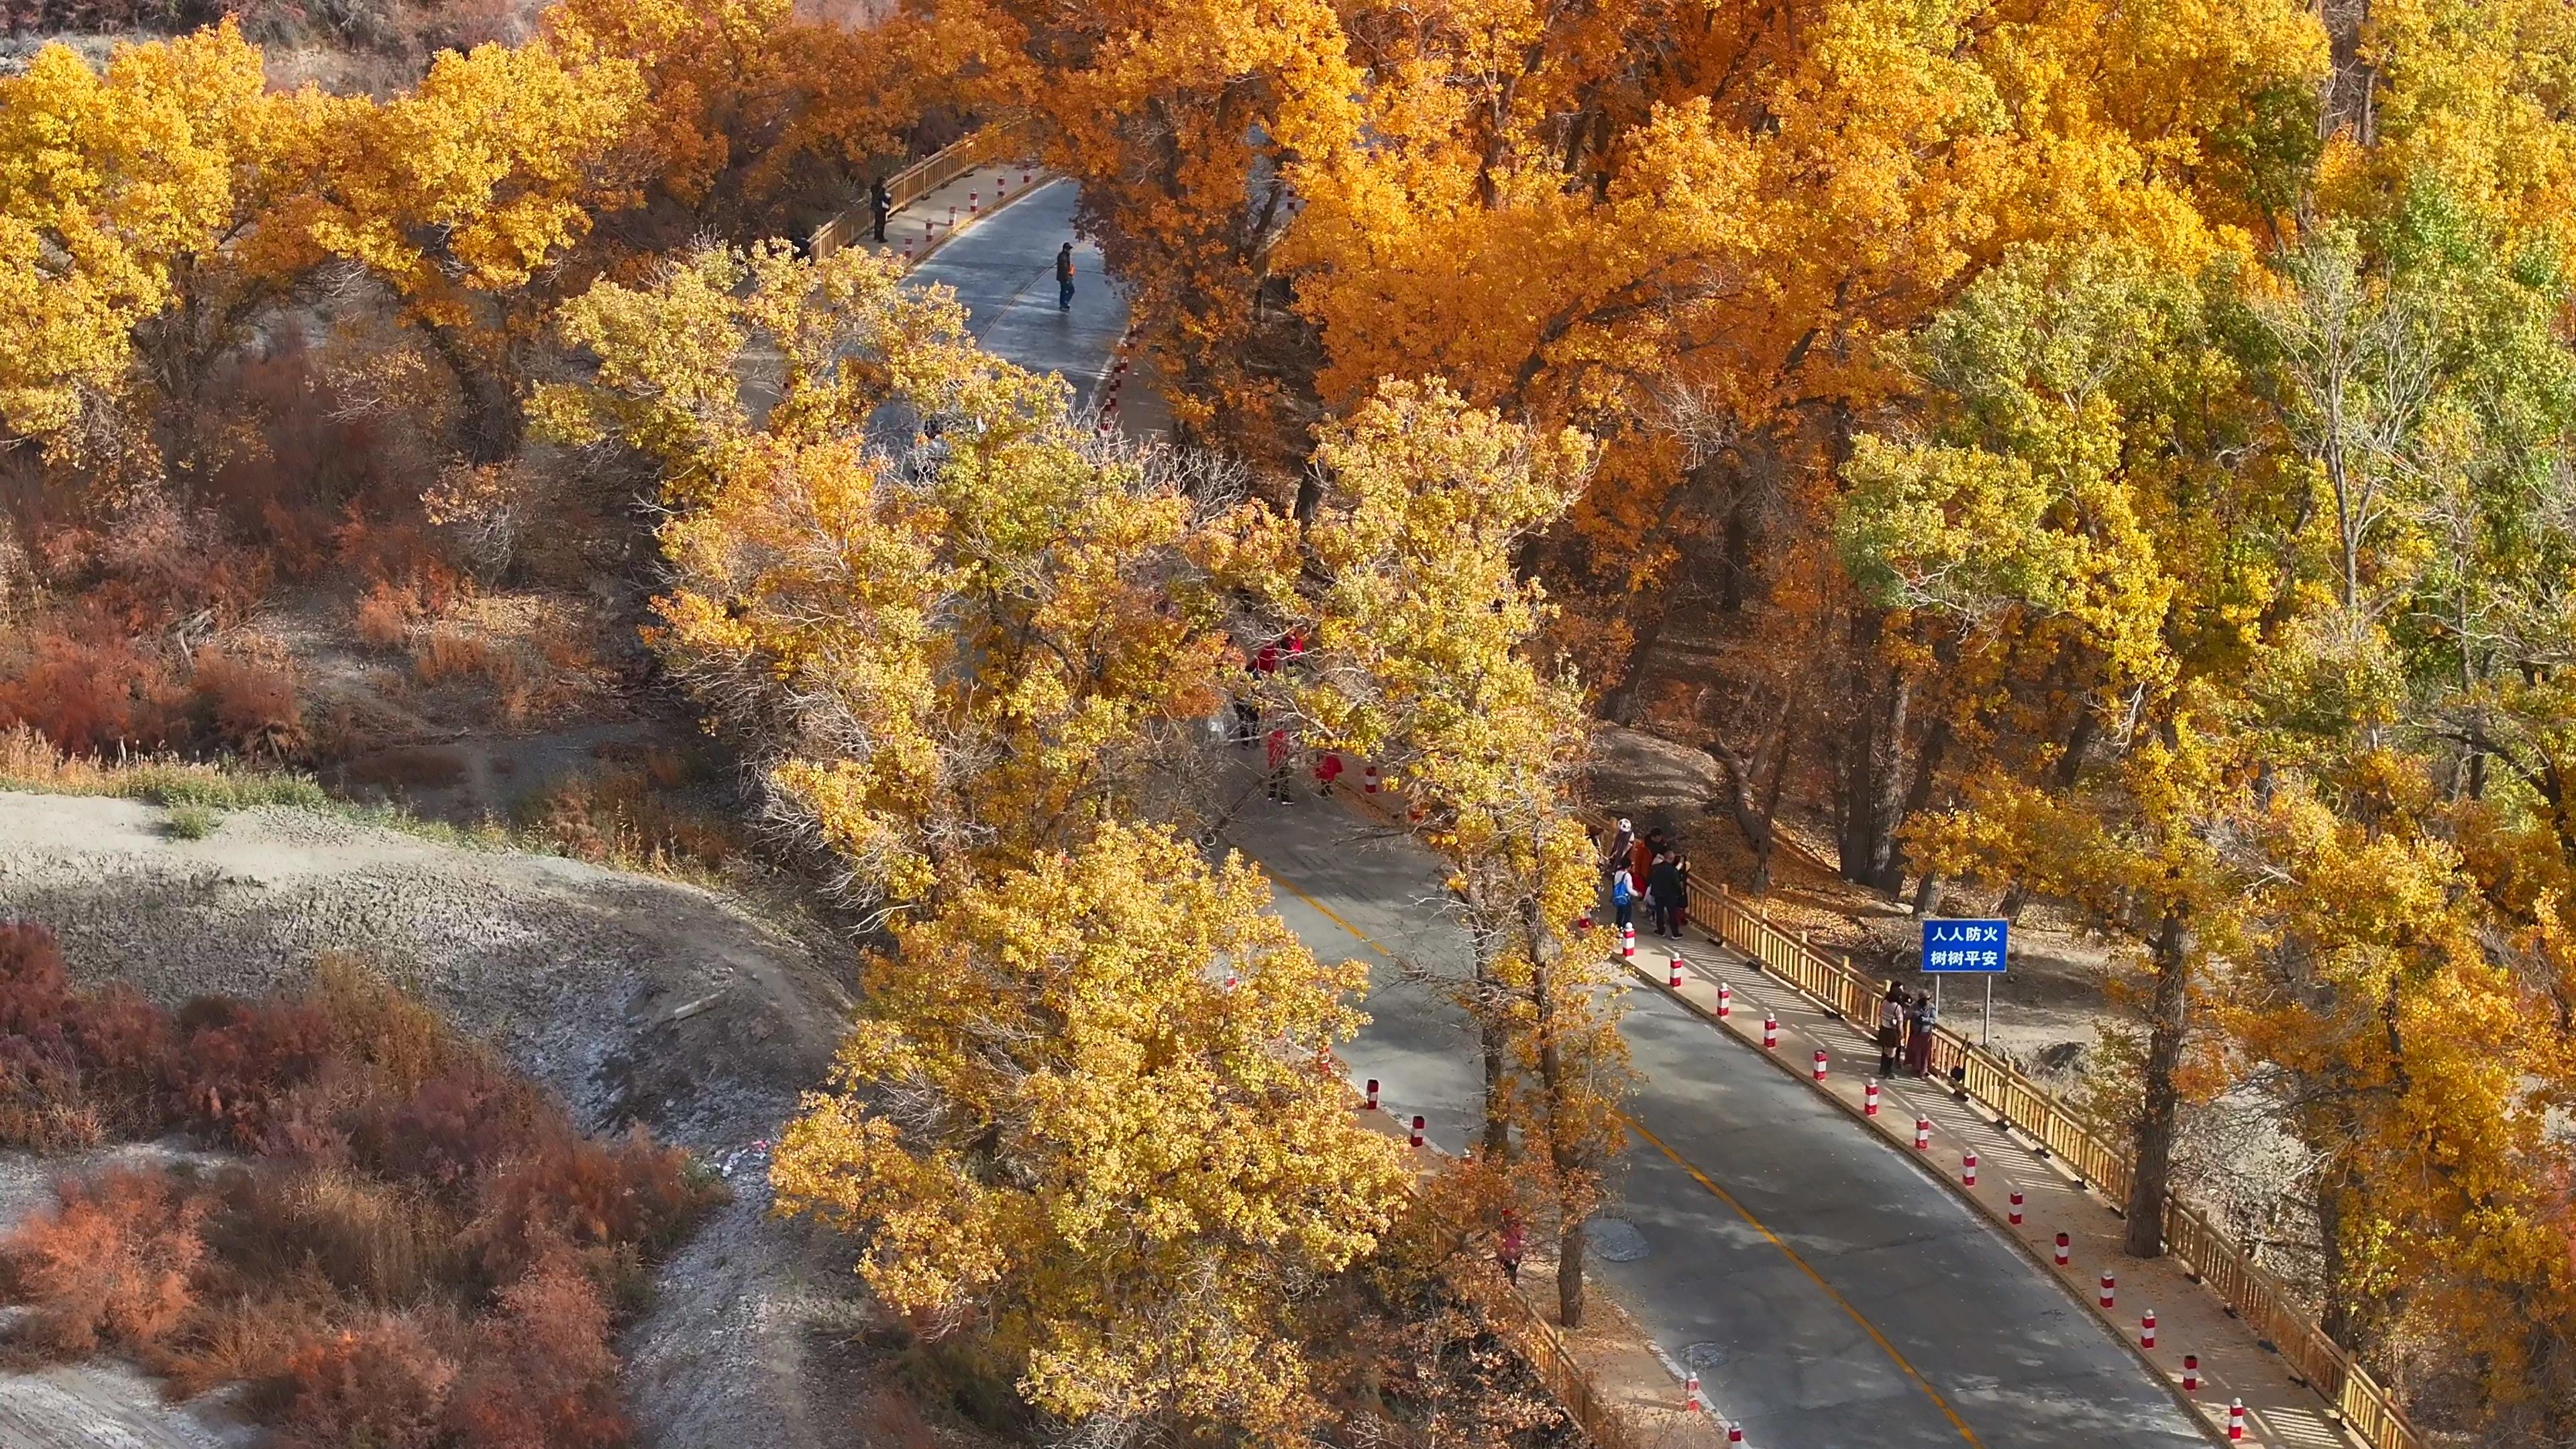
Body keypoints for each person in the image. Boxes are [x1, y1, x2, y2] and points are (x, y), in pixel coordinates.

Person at [1648, 852, 1683, 938]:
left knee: (1659, 913)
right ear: (1671, 859)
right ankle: (1675, 933)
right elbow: (1677, 884)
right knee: (1672, 914)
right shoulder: (1673, 871)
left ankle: (1660, 931)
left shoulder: (1655, 868)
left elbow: (1650, 879)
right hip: (1671, 895)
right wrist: (1680, 892)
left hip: (1658, 894)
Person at [1907, 989, 1941, 1077]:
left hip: (1926, 1034)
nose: (1927, 1000)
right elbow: (1908, 1014)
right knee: (1915, 1051)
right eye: (1926, 999)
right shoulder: (1915, 1006)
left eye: (1928, 999)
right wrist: (1915, 1014)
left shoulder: (1931, 1007)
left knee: (1925, 1053)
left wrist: (1924, 1020)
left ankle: (1924, 1069)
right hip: (1916, 1032)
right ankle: (1916, 1067)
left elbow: (1934, 1019)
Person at [1876, 984, 1907, 1078]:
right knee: (1892, 1052)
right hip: (1892, 1032)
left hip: (1884, 1028)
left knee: (1885, 1050)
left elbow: (1879, 1014)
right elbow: (1900, 1023)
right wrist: (1902, 1034)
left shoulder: (1884, 1002)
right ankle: (1888, 1071)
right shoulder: (1897, 1007)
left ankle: (1882, 1069)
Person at [1497, 1214, 1526, 1286]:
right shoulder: (1504, 1234)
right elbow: (1500, 1248)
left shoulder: (1518, 1232)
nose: (1514, 1227)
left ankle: (1511, 1287)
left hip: (1515, 1257)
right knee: (1504, 1275)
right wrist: (1505, 1257)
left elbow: (1522, 1238)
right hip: (1505, 1258)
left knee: (1512, 1274)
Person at [1610, 863, 1638, 930]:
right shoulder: (1627, 875)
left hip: (1618, 895)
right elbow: (1629, 889)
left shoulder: (1617, 873)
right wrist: (1637, 894)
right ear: (1629, 867)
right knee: (1627, 913)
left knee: (1620, 912)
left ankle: (1618, 927)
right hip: (1625, 897)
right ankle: (1625, 928)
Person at [869, 176, 892, 244]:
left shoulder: (873, 188)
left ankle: (876, 235)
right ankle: (881, 238)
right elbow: (883, 198)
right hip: (881, 207)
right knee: (881, 222)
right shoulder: (882, 189)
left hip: (875, 207)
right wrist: (888, 198)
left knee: (877, 221)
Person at [1056, 241, 1076, 311]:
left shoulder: (1064, 256)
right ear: (1065, 249)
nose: (1069, 250)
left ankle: (1063, 304)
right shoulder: (1063, 257)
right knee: (1071, 290)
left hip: (1062, 277)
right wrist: (1067, 278)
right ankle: (1064, 303)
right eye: (1068, 249)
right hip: (1065, 277)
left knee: (1063, 291)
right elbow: (1064, 270)